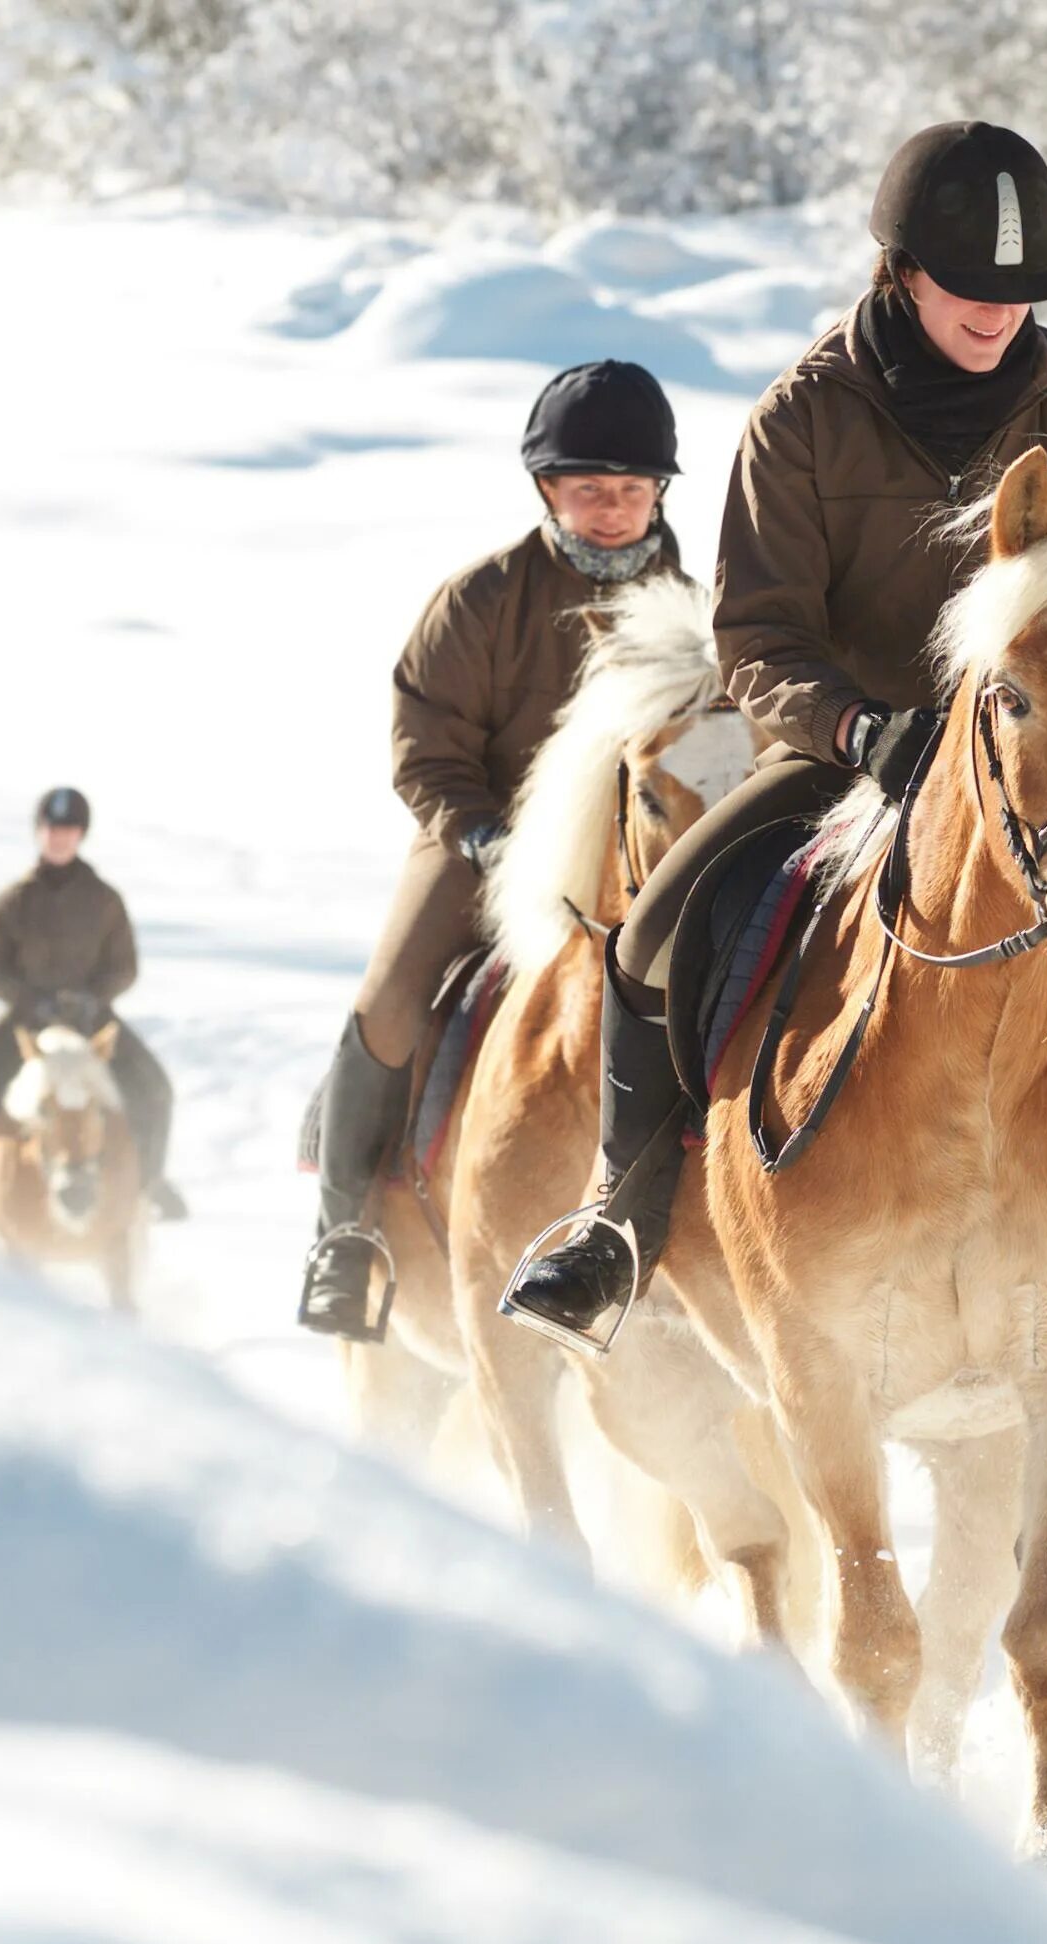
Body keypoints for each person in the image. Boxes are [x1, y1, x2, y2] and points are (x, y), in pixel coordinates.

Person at [502, 121, 1047, 1390]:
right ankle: (620, 1218)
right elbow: (756, 630)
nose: (1000, 313)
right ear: (900, 272)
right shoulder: (805, 417)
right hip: (848, 756)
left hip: (1046, 783)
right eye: (972, 286)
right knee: (654, 934)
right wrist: (850, 727)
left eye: (1022, 291)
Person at [296, 359, 688, 1334]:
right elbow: (425, 751)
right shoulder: (479, 601)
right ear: (547, 490)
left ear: (658, 495)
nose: (610, 511)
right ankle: (345, 1235)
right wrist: (484, 835)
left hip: (646, 856)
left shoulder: (694, 610)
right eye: (588, 491)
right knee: (391, 995)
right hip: (485, 845)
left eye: (630, 491)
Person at [0, 786, 184, 1223]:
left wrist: (93, 999)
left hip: (92, 1021)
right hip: (28, 1021)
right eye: (52, 828)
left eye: (68, 829)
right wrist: (29, 1000)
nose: (59, 838)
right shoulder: (14, 900)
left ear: (80, 834)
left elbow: (124, 966)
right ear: (39, 832)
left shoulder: (104, 899)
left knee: (155, 1087)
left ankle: (152, 1182)